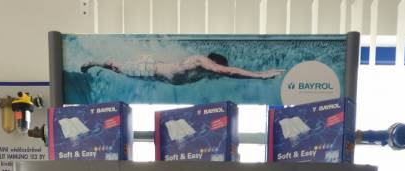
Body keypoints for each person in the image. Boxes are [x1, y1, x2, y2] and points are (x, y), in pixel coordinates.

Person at [81, 51, 283, 84]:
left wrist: (257, 73)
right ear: (214, 63)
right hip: (149, 69)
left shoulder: (203, 71)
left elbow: (230, 74)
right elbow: (229, 72)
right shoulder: (201, 61)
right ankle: (95, 62)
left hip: (154, 73)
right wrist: (260, 75)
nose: (218, 73)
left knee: (120, 71)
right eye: (218, 68)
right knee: (117, 68)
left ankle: (105, 63)